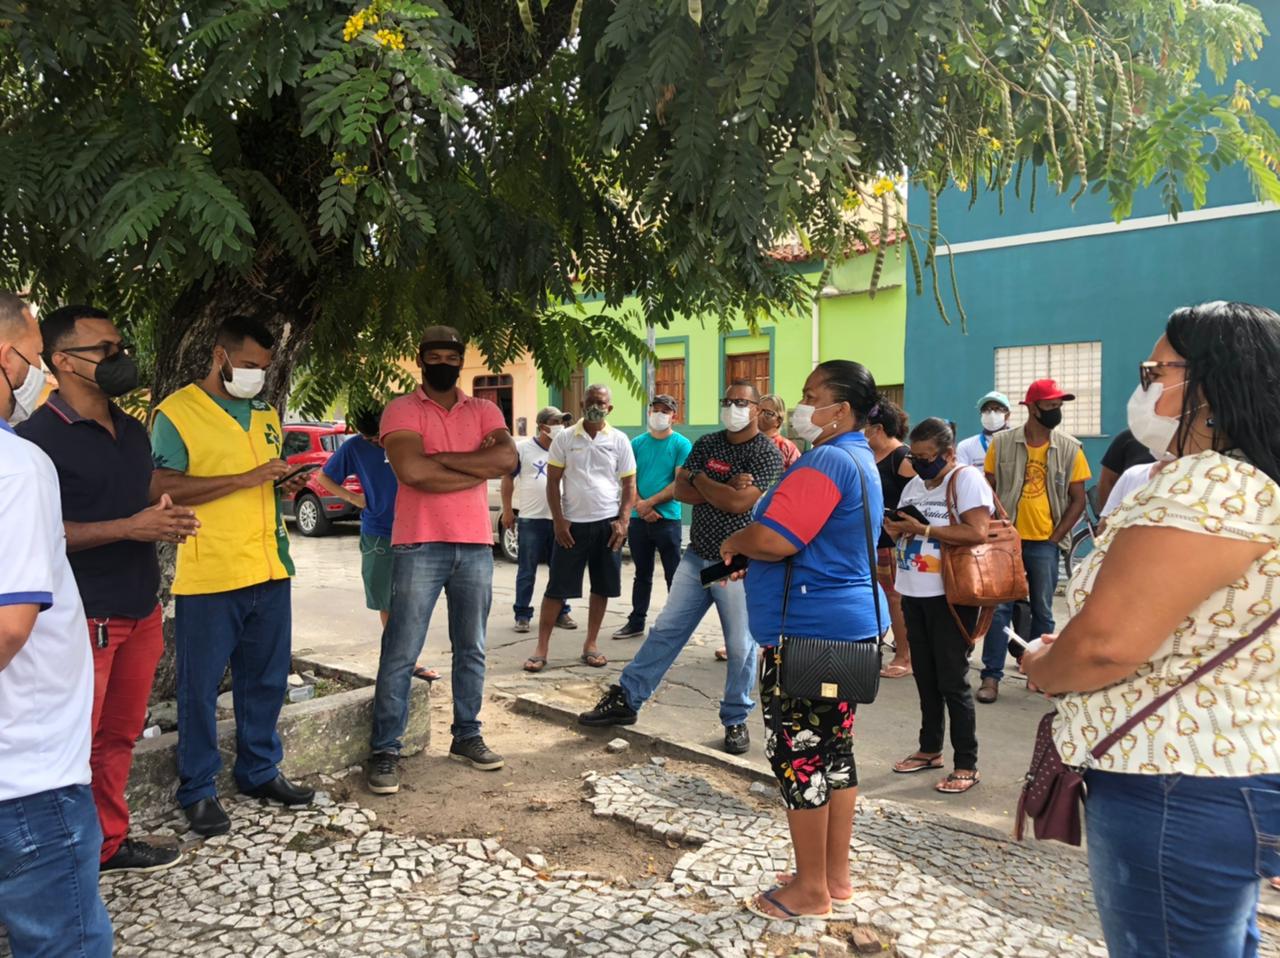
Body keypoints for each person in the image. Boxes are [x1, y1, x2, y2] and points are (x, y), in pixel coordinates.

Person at [1022, 302, 1280, 957]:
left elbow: (1108, 645)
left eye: (1154, 370)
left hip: (1176, 782)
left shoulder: (1212, 482)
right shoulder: (1252, 481)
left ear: (1214, 381)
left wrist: (1046, 669)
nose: (1145, 386)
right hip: (1231, 769)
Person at [18, 305, 198, 873]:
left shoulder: (132, 429)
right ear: (64, 361)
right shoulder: (36, 440)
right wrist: (128, 528)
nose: (120, 359)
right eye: (106, 351)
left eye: (121, 347)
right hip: (82, 621)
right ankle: (62, 860)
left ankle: (108, 843)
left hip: (140, 610)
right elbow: (40, 535)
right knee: (75, 746)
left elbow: (130, 494)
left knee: (118, 737)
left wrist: (162, 514)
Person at [717, 360, 887, 921]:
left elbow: (777, 537)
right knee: (833, 751)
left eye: (813, 395)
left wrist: (740, 540)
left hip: (810, 631)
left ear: (840, 410)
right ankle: (833, 876)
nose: (802, 405)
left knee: (800, 753)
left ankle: (810, 889)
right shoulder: (861, 459)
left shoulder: (826, 461)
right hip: (848, 626)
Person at [152, 315, 316, 836]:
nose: (255, 376)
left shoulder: (267, 413)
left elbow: (259, 482)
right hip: (210, 572)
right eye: (247, 365)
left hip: (269, 565)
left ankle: (259, 770)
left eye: (263, 369)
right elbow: (161, 485)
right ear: (220, 356)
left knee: (265, 681)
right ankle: (198, 789)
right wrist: (247, 478)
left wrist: (281, 483)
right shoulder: (176, 413)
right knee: (199, 688)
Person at [578, 381, 784, 755]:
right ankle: (627, 699)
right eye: (728, 400)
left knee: (740, 645)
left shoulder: (766, 452)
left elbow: (740, 506)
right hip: (697, 556)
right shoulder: (707, 443)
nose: (733, 407)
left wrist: (702, 481)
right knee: (666, 631)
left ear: (757, 409)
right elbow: (683, 490)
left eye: (741, 402)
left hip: (733, 563)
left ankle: (736, 719)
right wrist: (718, 484)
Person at [0, 292, 114, 957]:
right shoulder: (19, 467)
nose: (36, 375)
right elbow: (11, 627)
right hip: (28, 779)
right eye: (35, 358)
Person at [366, 326, 517, 793]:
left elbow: (506, 460)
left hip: (474, 544)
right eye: (435, 355)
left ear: (461, 360)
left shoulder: (485, 408)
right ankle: (385, 750)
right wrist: (474, 465)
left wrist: (440, 462)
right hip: (418, 543)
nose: (444, 362)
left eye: (452, 355)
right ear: (421, 360)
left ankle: (466, 735)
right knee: (401, 650)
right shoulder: (402, 409)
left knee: (471, 646)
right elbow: (411, 471)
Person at [885, 418, 994, 795]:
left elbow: (977, 531)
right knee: (925, 678)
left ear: (948, 454)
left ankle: (967, 762)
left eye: (926, 457)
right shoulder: (914, 483)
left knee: (952, 679)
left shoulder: (965, 479)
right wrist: (895, 526)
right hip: (912, 589)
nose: (918, 464)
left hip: (949, 594)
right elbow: (899, 527)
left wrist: (924, 530)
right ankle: (929, 749)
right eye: (914, 456)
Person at [980, 379, 1090, 703]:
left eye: (1059, 406)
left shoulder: (1071, 448)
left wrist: (1055, 538)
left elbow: (1078, 500)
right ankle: (990, 677)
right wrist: (996, 526)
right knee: (999, 609)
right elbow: (987, 487)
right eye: (1050, 406)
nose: (1056, 411)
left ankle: (1040, 674)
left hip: (1044, 542)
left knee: (1043, 610)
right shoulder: (1001, 444)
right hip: (1006, 541)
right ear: (1030, 407)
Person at [315, 406, 439, 681]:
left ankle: (403, 658)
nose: (374, 442)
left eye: (378, 436)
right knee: (386, 599)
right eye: (369, 438)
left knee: (413, 600)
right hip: (378, 534)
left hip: (416, 529)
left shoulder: (409, 440)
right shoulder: (355, 447)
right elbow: (323, 477)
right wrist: (354, 499)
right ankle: (404, 662)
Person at [525, 385, 636, 672]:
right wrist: (559, 521)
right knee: (557, 588)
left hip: (607, 526)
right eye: (589, 401)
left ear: (609, 408)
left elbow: (629, 485)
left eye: (600, 402)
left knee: (601, 587)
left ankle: (591, 645)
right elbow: (552, 483)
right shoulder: (564, 438)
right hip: (572, 526)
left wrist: (623, 521)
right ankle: (541, 649)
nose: (593, 407)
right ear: (582, 402)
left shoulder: (619, 440)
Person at [611, 393, 692, 640]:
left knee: (673, 575)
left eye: (665, 411)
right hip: (638, 519)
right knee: (642, 574)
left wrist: (650, 503)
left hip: (667, 519)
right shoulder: (637, 444)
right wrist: (640, 507)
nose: (659, 414)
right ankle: (636, 622)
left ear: (673, 417)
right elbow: (628, 479)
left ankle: (675, 625)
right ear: (649, 412)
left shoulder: (681, 444)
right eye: (655, 409)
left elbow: (678, 482)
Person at [502, 406, 576, 633]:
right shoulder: (523, 449)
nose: (561, 427)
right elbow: (508, 478)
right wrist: (507, 510)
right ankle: (522, 614)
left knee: (560, 569)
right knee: (527, 570)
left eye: (563, 422)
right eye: (556, 422)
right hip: (531, 519)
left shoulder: (564, 448)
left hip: (558, 520)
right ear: (543, 426)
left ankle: (561, 613)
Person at [863, 399, 915, 679]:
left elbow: (918, 501)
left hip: (894, 543)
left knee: (895, 599)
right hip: (872, 539)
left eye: (865, 428)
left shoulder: (902, 458)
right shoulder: (870, 456)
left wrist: (897, 523)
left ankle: (905, 656)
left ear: (878, 429)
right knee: (878, 597)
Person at [1095, 427, 1155, 509]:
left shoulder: (1177, 443)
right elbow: (1106, 480)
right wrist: (1109, 516)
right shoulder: (1128, 438)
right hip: (1129, 515)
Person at [956, 391, 1011, 468]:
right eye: (986, 409)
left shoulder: (1018, 444)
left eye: (997, 409)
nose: (992, 413)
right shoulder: (965, 446)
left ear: (1008, 414)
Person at [759, 393, 801, 468]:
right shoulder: (745, 442)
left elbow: (798, 473)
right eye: (758, 410)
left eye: (768, 413)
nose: (760, 415)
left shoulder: (787, 447)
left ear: (778, 421)